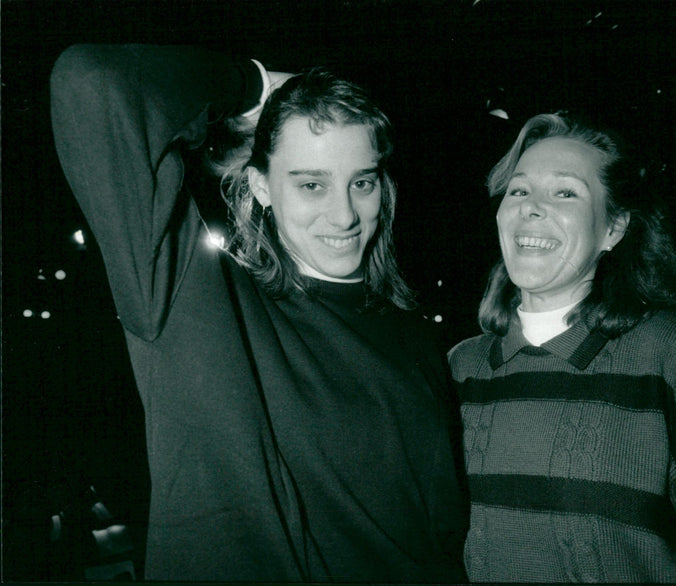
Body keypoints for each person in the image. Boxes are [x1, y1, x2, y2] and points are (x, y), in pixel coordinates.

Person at [50, 44, 467, 582]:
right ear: (261, 185)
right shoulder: (197, 307)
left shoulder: (413, 336)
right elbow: (93, 83)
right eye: (311, 184)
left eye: (360, 182)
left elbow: (443, 538)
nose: (344, 214)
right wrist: (252, 86)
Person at [448, 112, 676, 583]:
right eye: (519, 189)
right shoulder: (458, 370)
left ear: (613, 228)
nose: (530, 207)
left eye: (565, 192)